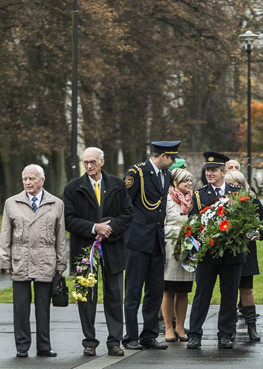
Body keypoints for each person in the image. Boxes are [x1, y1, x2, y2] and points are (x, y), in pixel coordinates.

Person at [186, 153, 263, 349]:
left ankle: (226, 334)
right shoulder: (199, 195)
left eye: (214, 170)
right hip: (208, 254)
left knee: (230, 295)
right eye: (207, 170)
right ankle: (195, 334)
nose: (209, 174)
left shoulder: (239, 193)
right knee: (202, 295)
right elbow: (192, 222)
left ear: (223, 172)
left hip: (233, 253)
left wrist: (257, 233)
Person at [63, 147, 133, 357]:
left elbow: (128, 214)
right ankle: (89, 341)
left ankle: (114, 341)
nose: (89, 166)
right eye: (86, 162)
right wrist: (94, 228)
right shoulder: (73, 187)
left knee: (114, 295)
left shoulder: (118, 185)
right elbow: (69, 219)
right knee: (86, 295)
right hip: (85, 249)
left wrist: (108, 228)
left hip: (112, 247)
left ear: (102, 161)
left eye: (93, 161)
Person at [0, 165, 67, 358]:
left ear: (42, 180)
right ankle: (22, 346)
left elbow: (60, 236)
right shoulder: (12, 203)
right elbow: (5, 235)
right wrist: (5, 262)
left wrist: (61, 263)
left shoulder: (56, 204)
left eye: (32, 179)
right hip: (21, 259)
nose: (28, 183)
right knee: (20, 307)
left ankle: (44, 346)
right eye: (25, 179)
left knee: (43, 306)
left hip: (46, 261)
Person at [123, 140, 181, 350]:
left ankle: (149, 334)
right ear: (163, 156)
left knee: (155, 290)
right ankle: (130, 336)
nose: (174, 163)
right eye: (172, 158)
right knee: (133, 291)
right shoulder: (136, 173)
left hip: (157, 239)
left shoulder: (166, 175)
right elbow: (125, 204)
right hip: (138, 240)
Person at [224, 169, 263, 341]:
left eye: (235, 185)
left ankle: (251, 326)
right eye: (229, 185)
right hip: (226, 251)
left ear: (241, 186)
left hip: (245, 250)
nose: (232, 189)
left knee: (246, 289)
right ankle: (228, 329)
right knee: (229, 291)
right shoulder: (220, 200)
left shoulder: (251, 199)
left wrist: (258, 232)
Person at [161, 166, 195, 344]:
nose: (189, 184)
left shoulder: (193, 200)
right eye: (185, 181)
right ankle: (168, 327)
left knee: (183, 290)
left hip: (187, 249)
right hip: (170, 248)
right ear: (175, 182)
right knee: (169, 290)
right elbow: (162, 224)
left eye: (190, 181)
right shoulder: (167, 200)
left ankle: (180, 327)